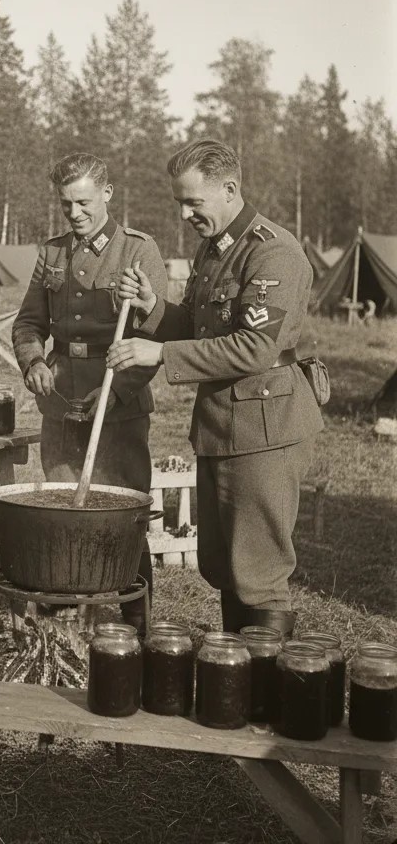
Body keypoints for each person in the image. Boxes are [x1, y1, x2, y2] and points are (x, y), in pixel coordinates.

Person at [109, 138, 323, 637]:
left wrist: (159, 352)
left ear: (230, 190)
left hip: (266, 431)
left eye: (193, 203)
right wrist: (153, 307)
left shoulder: (273, 253)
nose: (184, 215)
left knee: (260, 571)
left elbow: (255, 348)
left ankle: (267, 699)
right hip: (223, 426)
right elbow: (205, 328)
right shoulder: (215, 249)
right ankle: (238, 682)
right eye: (179, 202)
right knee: (227, 564)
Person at [11, 153, 166, 633]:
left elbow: (155, 335)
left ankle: (133, 624)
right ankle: (63, 624)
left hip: (117, 403)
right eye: (66, 204)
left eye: (83, 203)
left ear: (107, 194)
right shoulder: (52, 253)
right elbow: (28, 323)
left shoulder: (138, 251)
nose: (75, 214)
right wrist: (34, 361)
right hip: (61, 402)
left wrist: (117, 391)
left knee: (122, 513)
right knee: (61, 509)